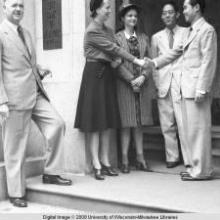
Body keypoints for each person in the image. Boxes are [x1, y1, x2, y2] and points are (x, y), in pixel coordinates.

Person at [0, 0, 72, 208]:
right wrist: (2, 101)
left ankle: (51, 173)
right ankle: (16, 192)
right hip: (13, 99)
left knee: (57, 124)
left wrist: (39, 69)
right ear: (4, 8)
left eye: (21, 5)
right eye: (14, 5)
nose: (19, 9)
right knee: (15, 146)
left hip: (35, 91)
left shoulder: (27, 33)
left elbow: (24, 63)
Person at [74, 0, 149, 180]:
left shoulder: (108, 31)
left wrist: (112, 59)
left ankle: (106, 161)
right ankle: (96, 163)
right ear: (97, 9)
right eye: (107, 8)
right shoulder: (91, 30)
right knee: (95, 122)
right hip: (93, 76)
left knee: (106, 120)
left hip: (107, 75)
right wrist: (137, 61)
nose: (109, 11)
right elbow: (114, 49)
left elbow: (114, 54)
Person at [148, 0, 217, 181]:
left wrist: (202, 89)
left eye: (186, 7)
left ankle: (202, 171)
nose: (184, 11)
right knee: (193, 131)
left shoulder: (207, 30)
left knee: (199, 130)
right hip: (187, 88)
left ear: (196, 7)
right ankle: (196, 168)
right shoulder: (192, 31)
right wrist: (153, 62)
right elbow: (174, 52)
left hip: (196, 89)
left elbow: (208, 61)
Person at [151, 1, 190, 169]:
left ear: (177, 14)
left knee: (184, 123)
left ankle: (189, 159)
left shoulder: (187, 32)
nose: (167, 15)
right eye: (164, 13)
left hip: (182, 84)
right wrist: (157, 83)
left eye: (170, 12)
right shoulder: (156, 37)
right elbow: (154, 64)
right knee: (167, 124)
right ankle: (172, 157)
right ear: (161, 16)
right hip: (164, 84)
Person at [115, 3, 153, 174]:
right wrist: (131, 80)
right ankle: (124, 159)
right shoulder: (116, 39)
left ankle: (140, 158)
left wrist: (143, 77)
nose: (133, 19)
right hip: (124, 86)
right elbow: (116, 63)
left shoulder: (144, 38)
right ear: (122, 18)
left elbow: (150, 61)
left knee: (139, 124)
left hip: (142, 85)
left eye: (135, 16)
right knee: (126, 124)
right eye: (129, 15)